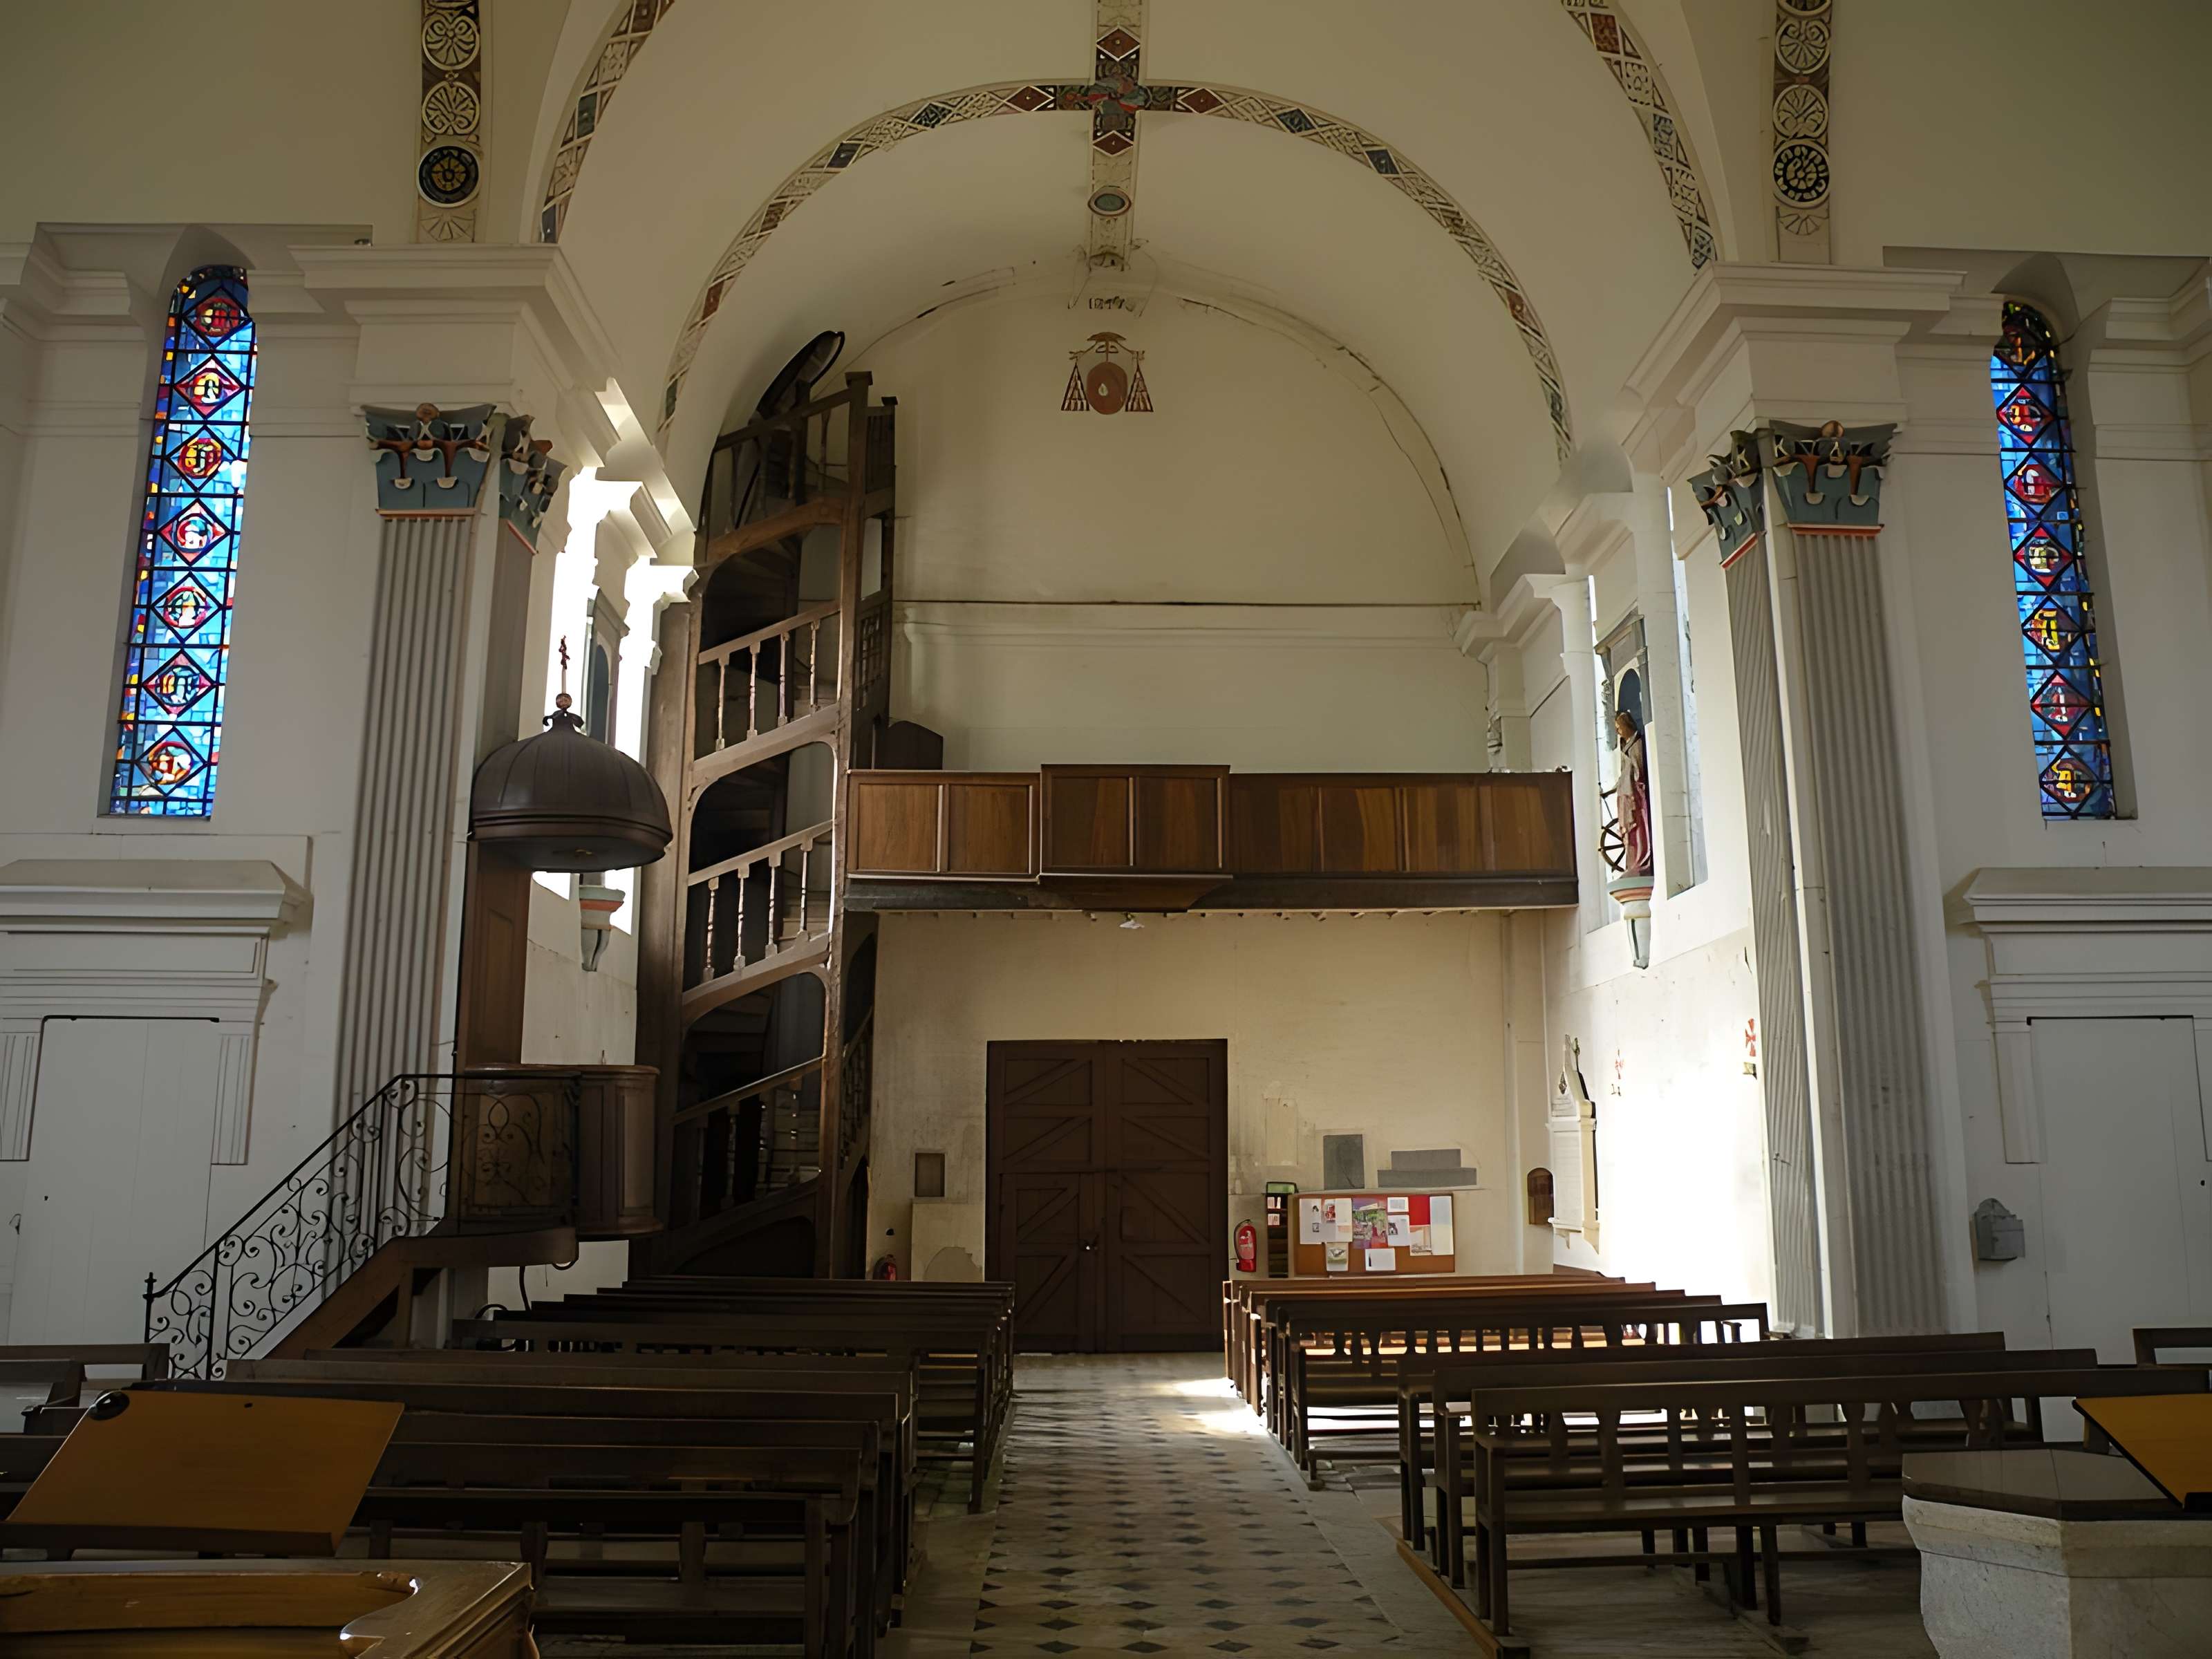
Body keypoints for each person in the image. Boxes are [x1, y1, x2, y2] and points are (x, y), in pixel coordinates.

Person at [1613, 706, 1653, 877]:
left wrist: (1634, 782)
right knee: (1628, 831)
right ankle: (1632, 863)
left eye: (1619, 726)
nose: (1618, 731)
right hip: (1626, 796)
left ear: (1626, 725)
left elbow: (1639, 772)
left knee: (1638, 829)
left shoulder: (1637, 745)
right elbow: (1624, 774)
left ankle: (1641, 861)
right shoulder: (1625, 748)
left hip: (1636, 796)